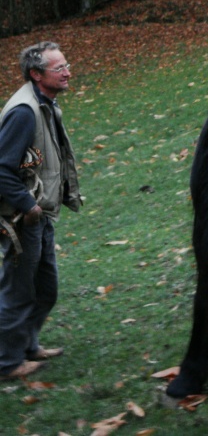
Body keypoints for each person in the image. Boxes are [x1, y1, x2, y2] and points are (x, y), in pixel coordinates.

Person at [0, 42, 81, 380]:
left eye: (66, 65)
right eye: (58, 68)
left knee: (46, 289)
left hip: (40, 214)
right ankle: (7, 363)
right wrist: (28, 204)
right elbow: (2, 169)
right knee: (18, 291)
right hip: (23, 218)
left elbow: (30, 158)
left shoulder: (45, 104)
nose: (67, 72)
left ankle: (28, 346)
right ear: (36, 74)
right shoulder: (24, 111)